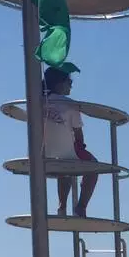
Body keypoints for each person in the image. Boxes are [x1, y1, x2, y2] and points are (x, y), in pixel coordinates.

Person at [42, 67, 98, 218]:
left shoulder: (39, 102)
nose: (71, 85)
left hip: (42, 152)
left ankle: (62, 206)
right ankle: (81, 207)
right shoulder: (70, 104)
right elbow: (78, 134)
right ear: (60, 84)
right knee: (93, 166)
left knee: (65, 166)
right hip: (67, 152)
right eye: (69, 81)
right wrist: (81, 147)